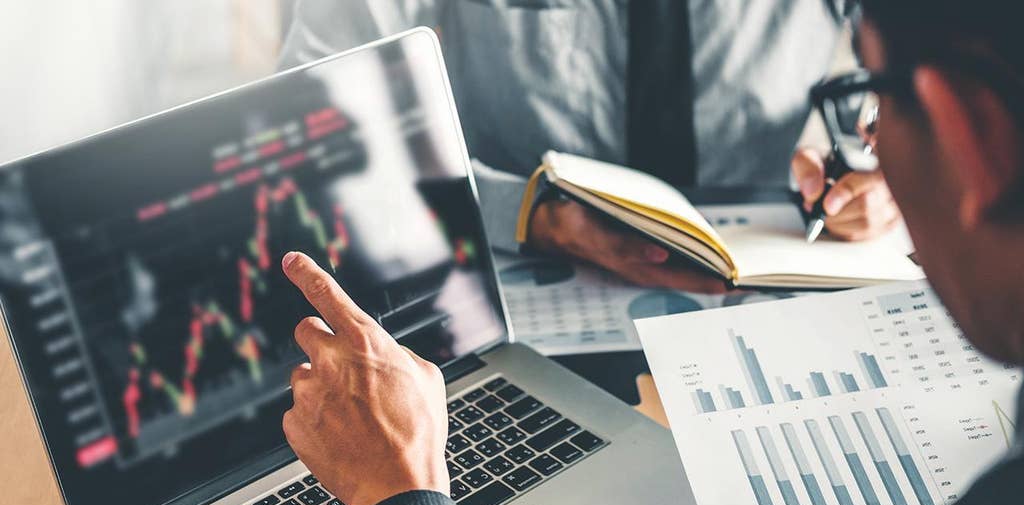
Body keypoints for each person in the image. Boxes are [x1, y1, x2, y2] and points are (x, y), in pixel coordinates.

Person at [278, 0, 1024, 505]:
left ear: (971, 136)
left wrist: (871, 156)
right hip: (502, 295)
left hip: (771, 284)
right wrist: (525, 210)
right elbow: (314, 116)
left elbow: (943, 33)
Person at [279, 0, 900, 293]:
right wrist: (526, 213)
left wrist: (891, 160)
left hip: (772, 267)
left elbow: (930, 65)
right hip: (509, 266)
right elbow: (314, 125)